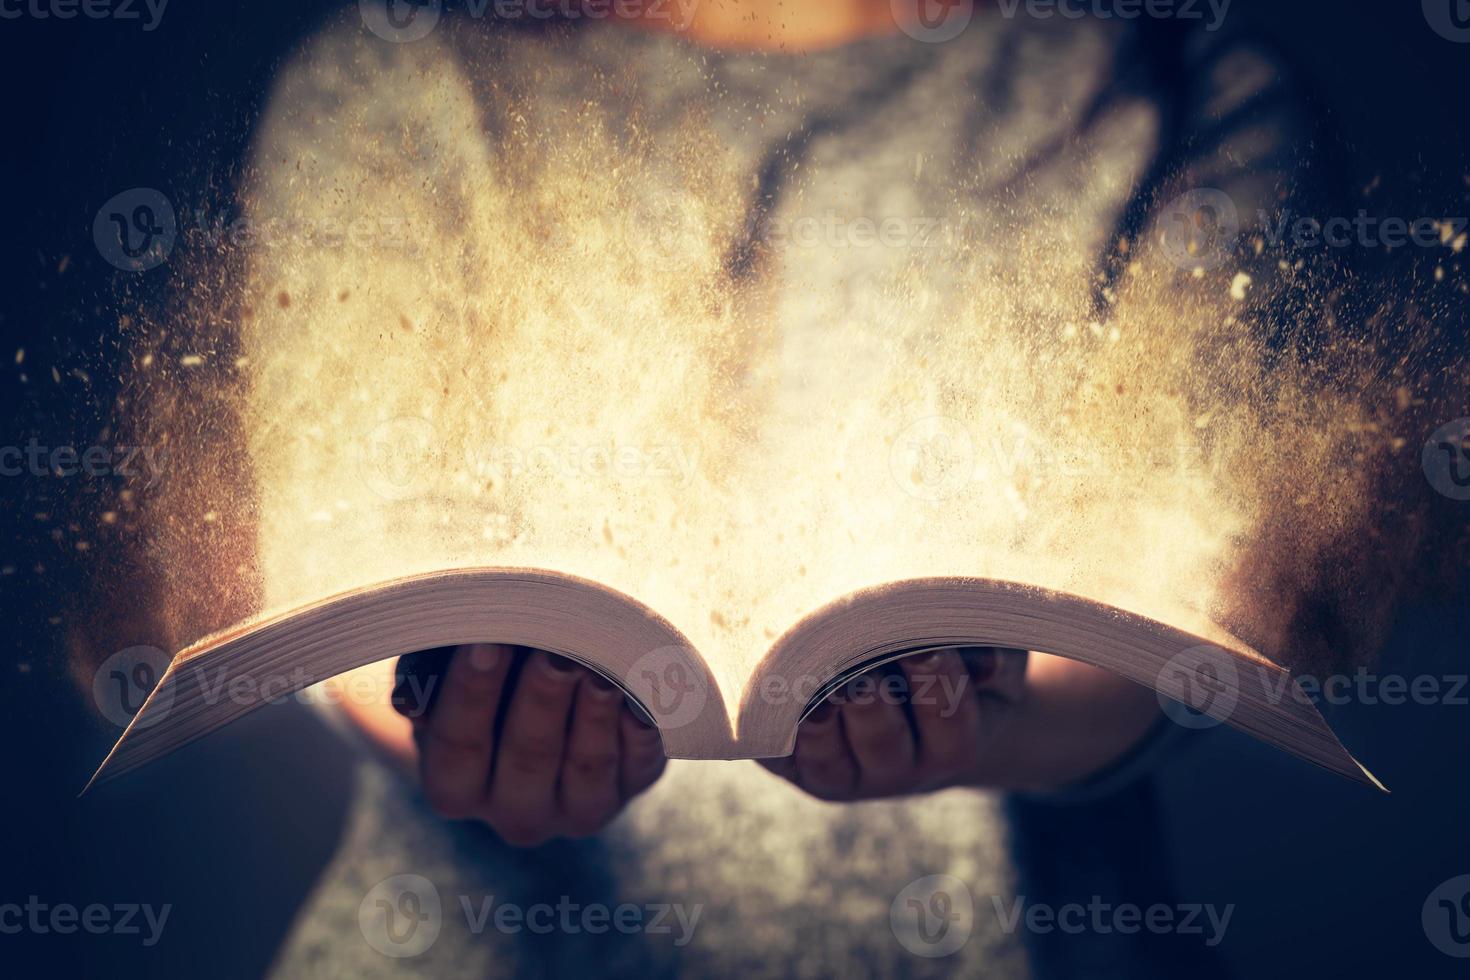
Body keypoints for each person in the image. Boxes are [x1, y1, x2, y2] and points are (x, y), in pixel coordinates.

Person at [163, 0, 1353, 975]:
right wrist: (464, 703)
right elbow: (354, 565)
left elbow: (1172, 615)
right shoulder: (394, 76)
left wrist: (989, 709)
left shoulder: (1183, 81)